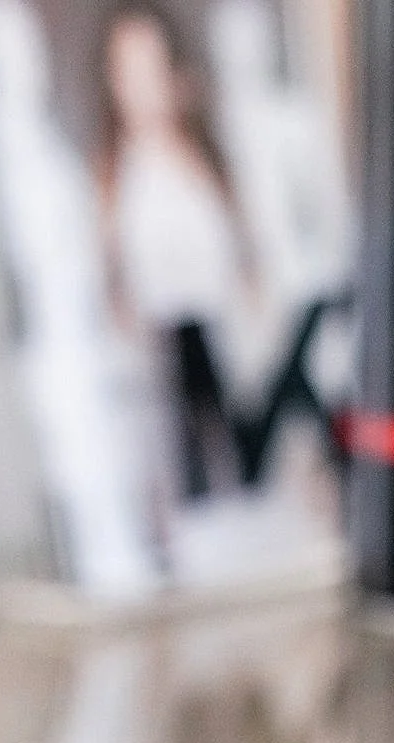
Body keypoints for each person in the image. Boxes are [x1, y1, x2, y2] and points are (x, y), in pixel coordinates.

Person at [93, 3, 254, 501]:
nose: (142, 86)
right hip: (158, 340)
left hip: (222, 325)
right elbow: (110, 267)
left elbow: (240, 249)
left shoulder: (205, 157)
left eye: (151, 67)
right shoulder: (113, 173)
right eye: (128, 71)